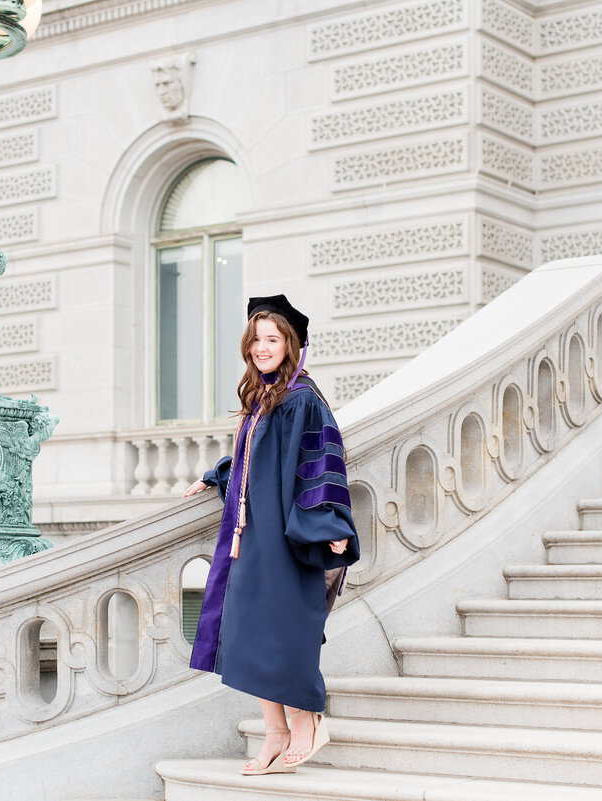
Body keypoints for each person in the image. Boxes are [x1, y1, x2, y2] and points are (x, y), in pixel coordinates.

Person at [184, 294, 360, 776]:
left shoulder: (303, 399)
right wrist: (217, 474)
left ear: (291, 343)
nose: (262, 347)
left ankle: (307, 724)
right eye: (256, 339)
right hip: (251, 535)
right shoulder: (261, 398)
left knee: (284, 631)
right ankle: (275, 730)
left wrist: (330, 523)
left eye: (272, 339)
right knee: (248, 633)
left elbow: (322, 463)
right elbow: (253, 461)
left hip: (285, 534)